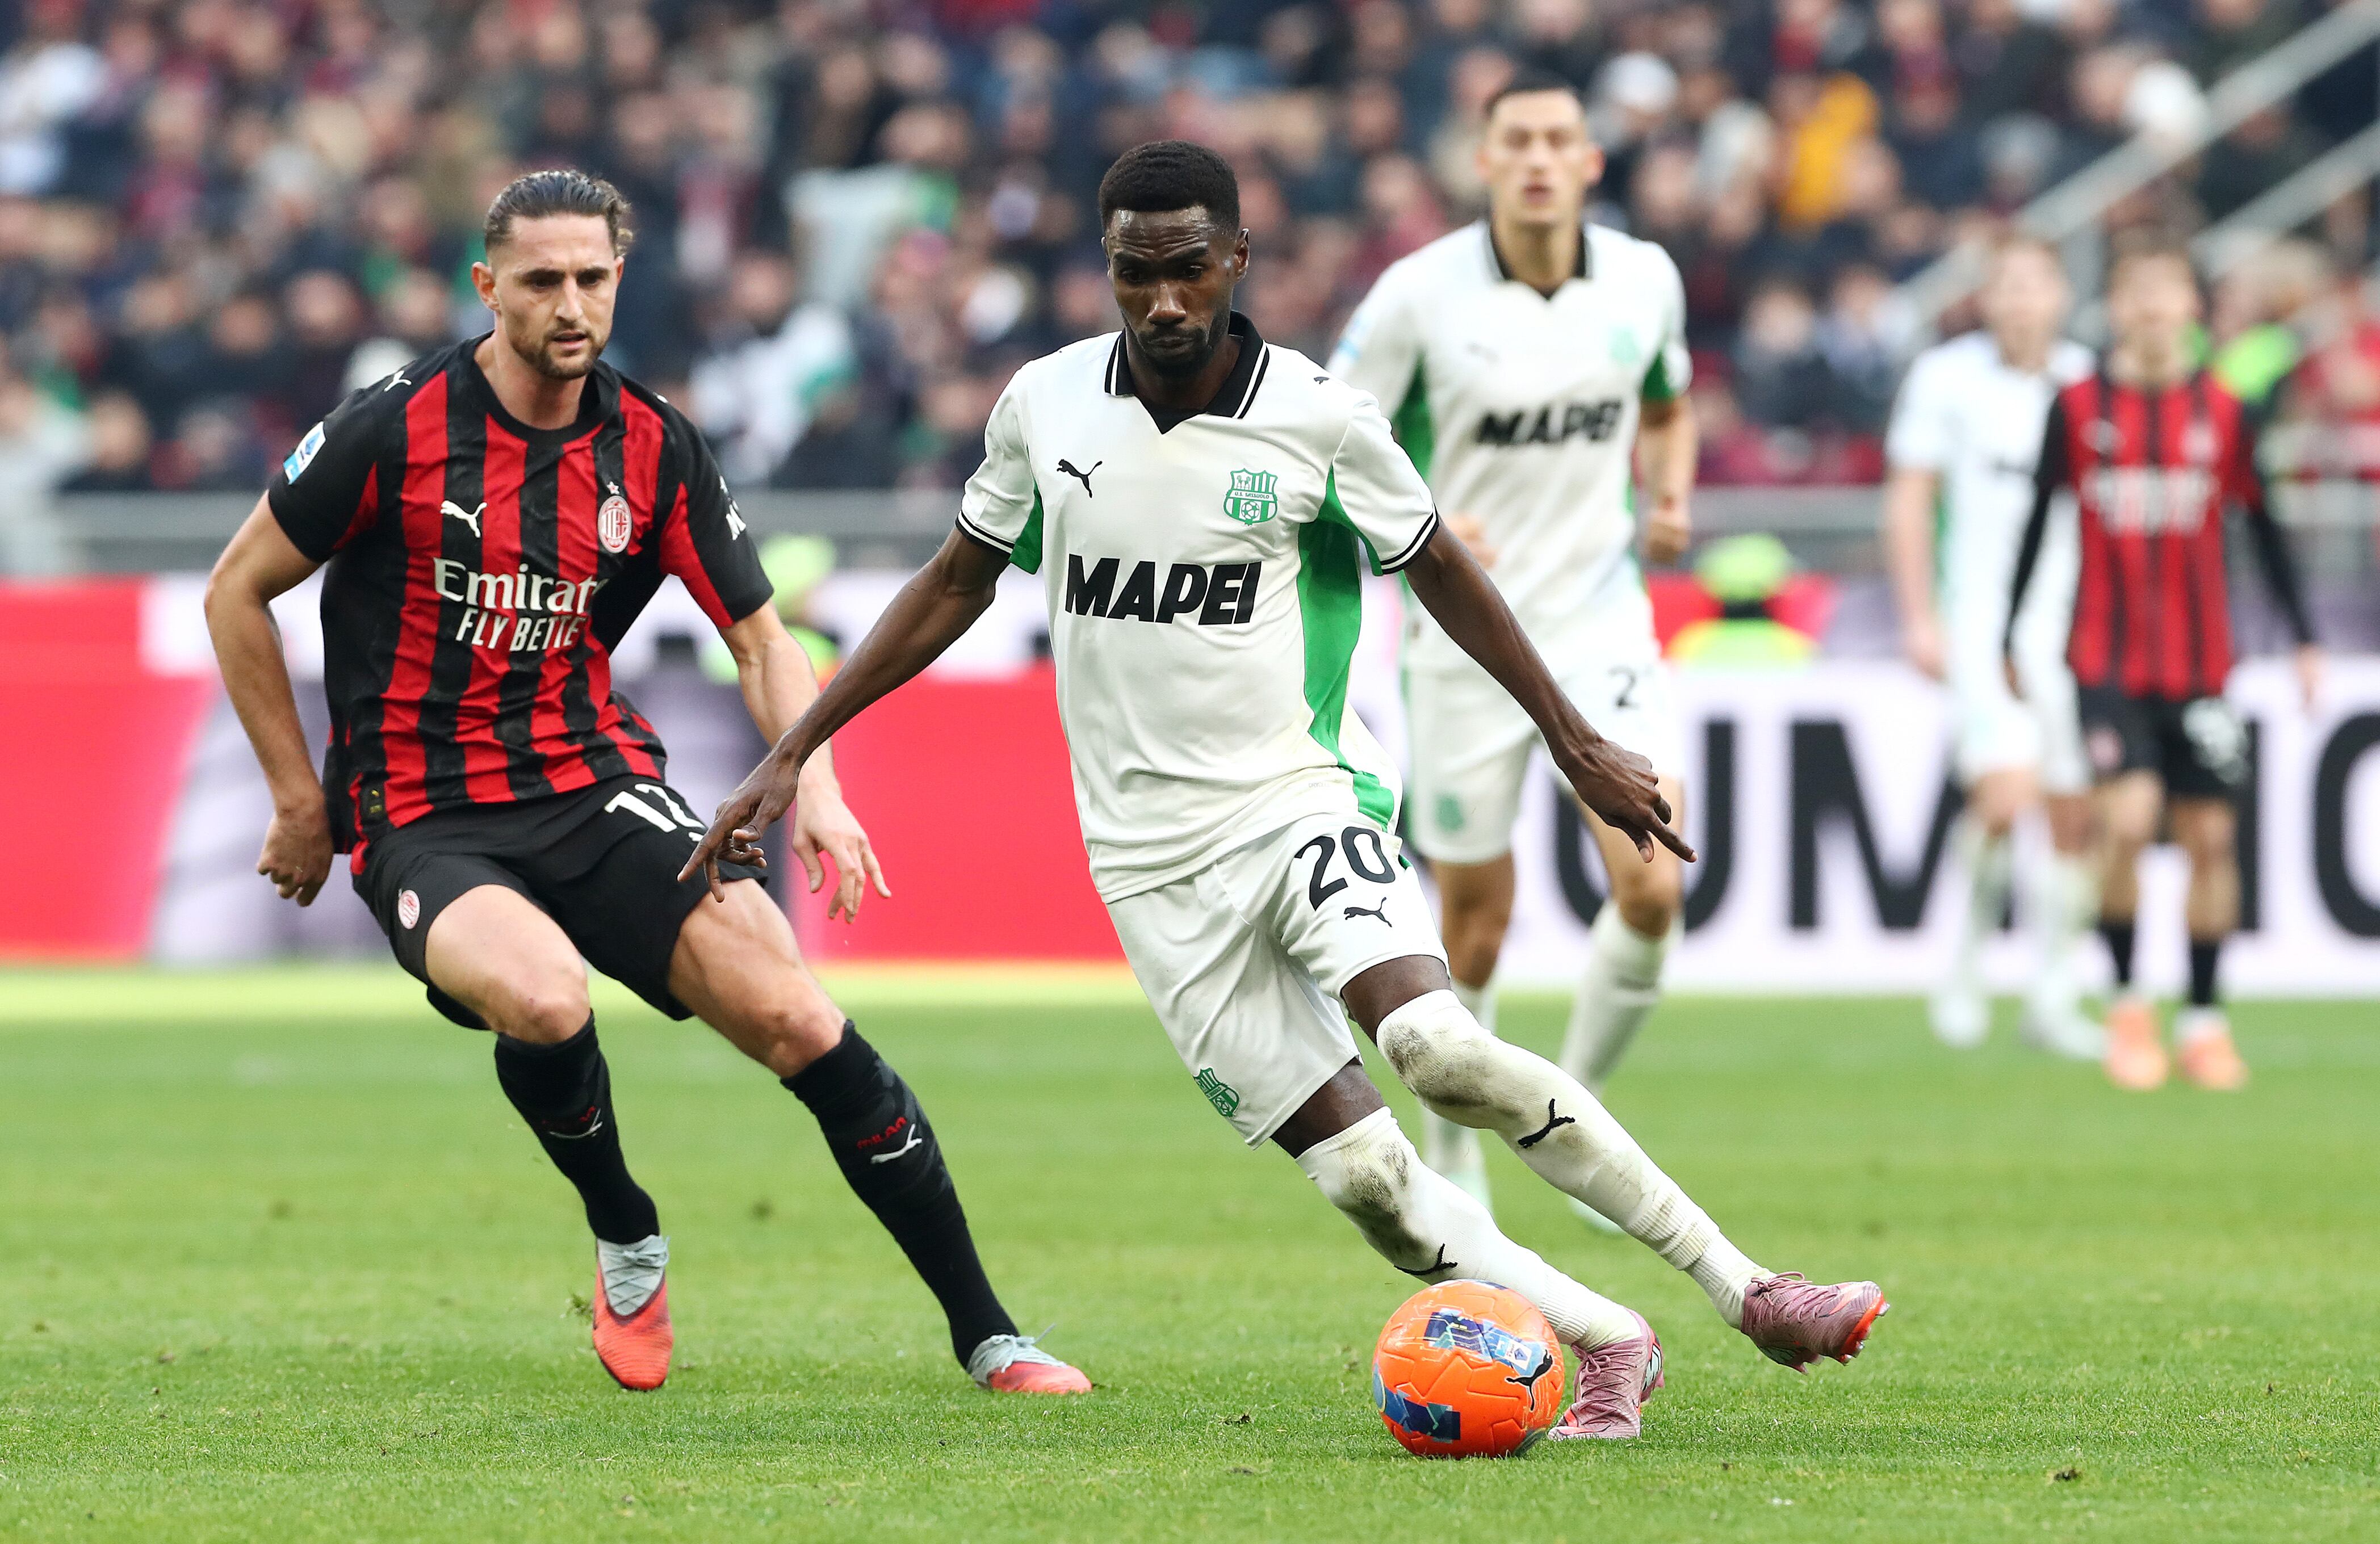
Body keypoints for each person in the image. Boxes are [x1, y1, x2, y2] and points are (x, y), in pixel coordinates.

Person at [685, 141, 1887, 1441]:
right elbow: (950, 584)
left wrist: (1571, 738)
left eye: (1187, 270)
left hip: (1296, 798)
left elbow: (1437, 569)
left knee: (1434, 1047)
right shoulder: (1042, 406)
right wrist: (793, 747)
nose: (1161, 302)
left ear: (1233, 263)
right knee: (1368, 1181)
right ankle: (1606, 1336)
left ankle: (1749, 1287)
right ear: (1106, 268)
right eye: (1135, 273)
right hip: (1147, 868)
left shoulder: (1315, 414)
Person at [202, 170, 1087, 1398]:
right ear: (486, 287)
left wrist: (812, 786)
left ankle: (991, 1335)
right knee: (546, 996)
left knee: (794, 1015)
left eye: (592, 278)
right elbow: (235, 588)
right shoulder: (391, 427)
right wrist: (301, 800)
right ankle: (624, 1223)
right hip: (421, 810)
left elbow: (764, 639)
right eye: (542, 280)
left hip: (590, 781)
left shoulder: (653, 444)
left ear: (618, 280)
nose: (571, 304)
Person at [1327, 73, 1699, 1222]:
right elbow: (1332, 427)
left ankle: (1573, 1112)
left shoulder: (1644, 278)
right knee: (1474, 918)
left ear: (1590, 161)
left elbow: (1664, 399)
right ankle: (1461, 1146)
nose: (1538, 158)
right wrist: (1423, 502)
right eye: (1516, 141)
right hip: (1463, 642)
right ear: (1482, 162)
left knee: (1649, 882)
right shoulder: (1416, 297)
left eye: (1557, 140)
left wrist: (1670, 490)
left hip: (1597, 622)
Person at [2006, 229, 2322, 1092]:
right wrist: (2007, 634)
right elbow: (2038, 522)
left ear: (2192, 306)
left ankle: (2207, 1022)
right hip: (2105, 660)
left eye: (2167, 292)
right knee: (2130, 823)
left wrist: (2301, 637)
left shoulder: (2224, 411)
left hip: (2204, 666)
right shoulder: (2076, 409)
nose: (2152, 310)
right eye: (2137, 293)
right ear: (2117, 307)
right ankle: (2128, 1009)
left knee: (2212, 840)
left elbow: (2265, 529)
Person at [1881, 236, 2102, 1058]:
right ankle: (1965, 971)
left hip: (2076, 630)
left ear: (2060, 297)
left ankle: (2055, 992)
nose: (2018, 302)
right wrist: (1919, 616)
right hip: (1981, 623)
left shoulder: (2087, 384)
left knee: (2077, 814)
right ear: (1985, 298)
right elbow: (1909, 500)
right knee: (2007, 802)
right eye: (2004, 287)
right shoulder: (1948, 378)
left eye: (2033, 286)